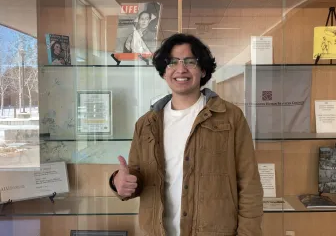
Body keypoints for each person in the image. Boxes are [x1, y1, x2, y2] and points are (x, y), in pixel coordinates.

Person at [109, 33, 263, 236]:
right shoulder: (145, 124)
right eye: (172, 62)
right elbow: (137, 174)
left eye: (190, 61)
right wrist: (118, 182)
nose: (181, 69)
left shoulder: (230, 117)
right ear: (164, 72)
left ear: (203, 70)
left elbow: (249, 183)